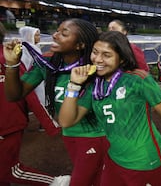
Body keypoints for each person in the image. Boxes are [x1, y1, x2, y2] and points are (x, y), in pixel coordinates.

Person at [57, 31, 161, 185]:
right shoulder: (94, 86)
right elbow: (66, 121)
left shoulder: (138, 79)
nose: (98, 59)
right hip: (114, 157)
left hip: (144, 160)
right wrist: (74, 85)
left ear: (121, 59)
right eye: (95, 52)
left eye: (106, 55)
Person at [4, 18, 108, 186]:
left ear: (80, 45)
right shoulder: (49, 63)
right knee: (95, 180)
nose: (54, 35)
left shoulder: (93, 71)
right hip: (70, 135)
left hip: (95, 136)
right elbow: (14, 95)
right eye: (57, 31)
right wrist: (12, 64)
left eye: (63, 33)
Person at [0, 22, 68, 186]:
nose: (40, 37)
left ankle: (60, 183)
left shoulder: (6, 56)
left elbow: (26, 90)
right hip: (22, 101)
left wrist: (49, 123)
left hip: (9, 121)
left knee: (9, 170)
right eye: (36, 34)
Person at [19, 26, 51, 131]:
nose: (39, 37)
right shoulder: (25, 49)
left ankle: (42, 124)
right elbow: (25, 65)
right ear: (30, 36)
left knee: (39, 102)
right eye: (36, 35)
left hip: (37, 79)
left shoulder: (34, 47)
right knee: (37, 103)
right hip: (31, 79)